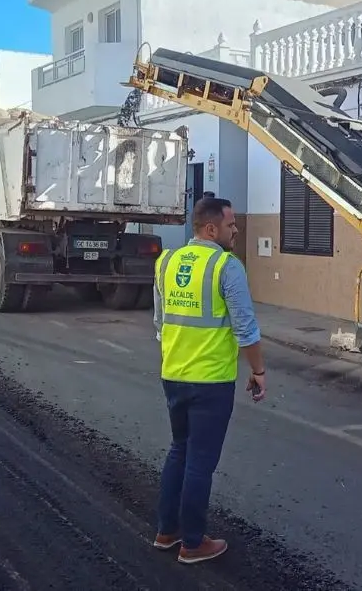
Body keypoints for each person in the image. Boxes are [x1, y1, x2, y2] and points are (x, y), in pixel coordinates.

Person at [152, 196, 266, 564]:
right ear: (212, 229)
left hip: (173, 375)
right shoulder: (226, 266)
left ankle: (167, 531)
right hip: (211, 382)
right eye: (232, 225)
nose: (237, 230)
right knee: (200, 461)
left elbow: (160, 322)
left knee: (179, 450)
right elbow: (245, 329)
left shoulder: (166, 261)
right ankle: (193, 542)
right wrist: (259, 372)